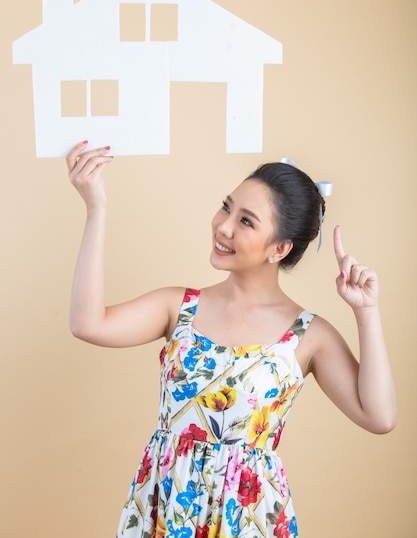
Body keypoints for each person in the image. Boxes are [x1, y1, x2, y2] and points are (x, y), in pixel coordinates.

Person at [66, 141, 397, 538]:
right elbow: (88, 324)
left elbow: (379, 417)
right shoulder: (178, 307)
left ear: (280, 248)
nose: (223, 225)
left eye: (246, 221)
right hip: (165, 510)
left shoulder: (308, 336)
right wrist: (96, 207)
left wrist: (367, 311)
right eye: (227, 206)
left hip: (248, 517)